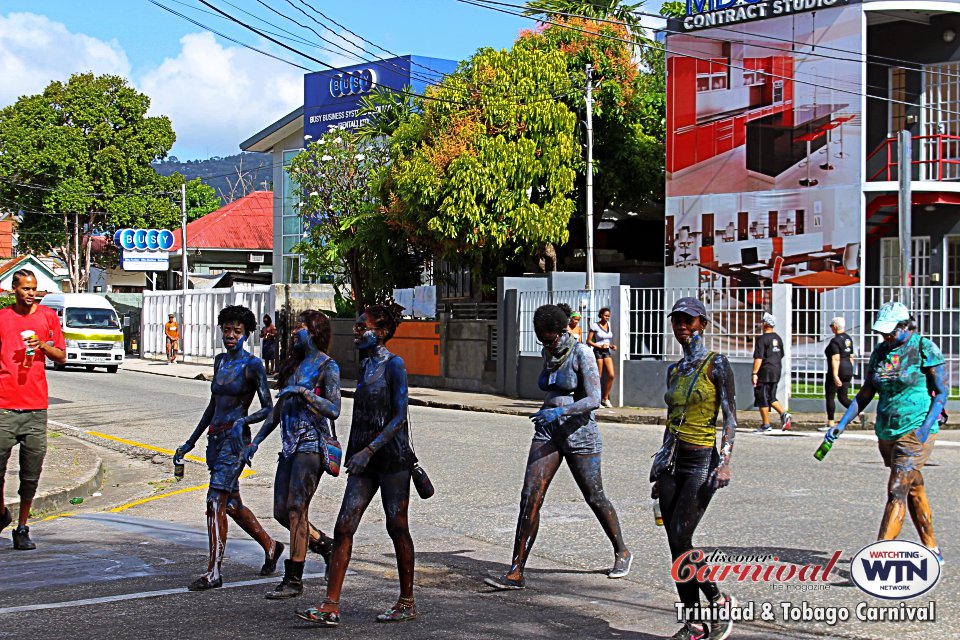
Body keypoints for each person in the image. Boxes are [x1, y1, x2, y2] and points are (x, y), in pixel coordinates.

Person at [484, 304, 631, 591]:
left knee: (594, 495)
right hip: (547, 432)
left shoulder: (582, 353)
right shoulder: (547, 353)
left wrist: (560, 412)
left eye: (550, 339)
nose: (547, 344)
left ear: (563, 331)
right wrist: (548, 412)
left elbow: (593, 399)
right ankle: (516, 570)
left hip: (579, 433)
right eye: (542, 340)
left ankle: (622, 550)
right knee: (530, 496)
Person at [298, 304, 418, 626]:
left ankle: (407, 601)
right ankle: (330, 605)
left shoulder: (395, 365)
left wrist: (370, 449)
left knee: (397, 526)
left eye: (362, 326)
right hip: (363, 462)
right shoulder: (363, 365)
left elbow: (398, 417)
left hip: (392, 460)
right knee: (343, 526)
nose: (356, 330)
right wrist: (350, 450)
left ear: (380, 332)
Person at [820, 302, 946, 564]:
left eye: (890, 332)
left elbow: (942, 392)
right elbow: (867, 391)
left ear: (904, 326)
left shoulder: (924, 348)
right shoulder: (880, 351)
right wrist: (841, 423)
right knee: (913, 486)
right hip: (887, 430)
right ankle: (932, 548)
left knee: (897, 490)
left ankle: (878, 557)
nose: (886, 337)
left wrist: (924, 429)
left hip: (916, 429)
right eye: (883, 333)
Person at [175, 305, 283, 590]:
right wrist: (191, 441)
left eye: (237, 331)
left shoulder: (253, 365)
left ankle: (214, 572)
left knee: (214, 501)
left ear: (247, 334)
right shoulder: (220, 361)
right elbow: (213, 406)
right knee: (231, 504)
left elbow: (268, 409)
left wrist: (242, 422)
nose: (231, 335)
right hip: (215, 438)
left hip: (236, 442)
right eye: (227, 330)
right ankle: (271, 546)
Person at [655, 297, 737, 640]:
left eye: (689, 321)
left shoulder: (716, 364)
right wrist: (659, 469)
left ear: (703, 324)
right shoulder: (675, 370)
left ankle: (718, 599)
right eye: (677, 321)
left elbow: (731, 418)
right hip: (671, 462)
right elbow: (670, 420)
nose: (682, 327)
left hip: (702, 460)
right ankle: (693, 622)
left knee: (681, 536)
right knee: (675, 546)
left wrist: (725, 461)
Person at [247, 310, 341, 599]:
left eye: (299, 327)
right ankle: (325, 545)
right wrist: (257, 441)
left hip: (311, 444)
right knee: (280, 511)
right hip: (289, 446)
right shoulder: (293, 365)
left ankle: (293, 578)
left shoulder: (328, 366)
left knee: (296, 510)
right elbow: (277, 411)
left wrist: (305, 393)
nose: (293, 332)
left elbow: (334, 408)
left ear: (313, 332)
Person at [0, 270, 66, 550]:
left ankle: (22, 527)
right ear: (13, 289)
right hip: (3, 406)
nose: (30, 293)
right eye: (25, 288)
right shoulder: (2, 318)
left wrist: (41, 345)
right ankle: (1, 513)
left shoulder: (48, 318)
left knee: (31, 473)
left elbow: (62, 357)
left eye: (34, 289)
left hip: (35, 408)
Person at [752, 313, 791, 432]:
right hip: (776, 370)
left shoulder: (762, 339)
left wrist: (754, 373)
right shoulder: (778, 338)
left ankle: (766, 424)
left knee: (762, 397)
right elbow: (781, 354)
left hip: (765, 371)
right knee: (771, 396)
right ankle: (784, 414)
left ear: (765, 324)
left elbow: (759, 357)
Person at [823, 317, 857, 430]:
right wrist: (850, 370)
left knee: (830, 396)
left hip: (839, 369)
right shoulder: (848, 339)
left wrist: (835, 375)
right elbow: (851, 356)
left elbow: (836, 358)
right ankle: (859, 412)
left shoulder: (835, 341)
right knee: (843, 397)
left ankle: (831, 422)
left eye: (831, 326)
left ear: (835, 327)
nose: (831, 328)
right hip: (848, 369)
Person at [587, 307, 617, 408]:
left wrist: (612, 346)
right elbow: (589, 341)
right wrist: (600, 346)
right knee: (598, 376)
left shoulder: (609, 325)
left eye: (608, 316)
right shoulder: (595, 326)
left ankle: (605, 398)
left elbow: (609, 339)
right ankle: (597, 399)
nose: (607, 317)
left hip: (607, 351)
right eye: (605, 315)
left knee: (611, 375)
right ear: (601, 315)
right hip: (598, 351)